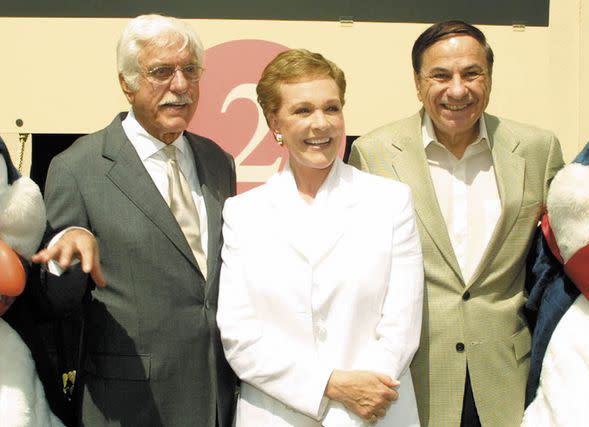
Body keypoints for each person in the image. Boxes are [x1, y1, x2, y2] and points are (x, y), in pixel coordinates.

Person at [348, 21, 564, 427]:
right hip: (413, 376)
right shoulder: (373, 154)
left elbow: (563, 256)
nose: (458, 89)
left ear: (490, 77)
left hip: (507, 374)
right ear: (417, 82)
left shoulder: (538, 149)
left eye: (472, 73)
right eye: (440, 75)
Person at [31, 14, 237, 426]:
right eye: (162, 71)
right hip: (129, 404)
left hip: (218, 397)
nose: (180, 86)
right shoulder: (78, 168)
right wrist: (65, 259)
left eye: (190, 70)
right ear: (127, 83)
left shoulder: (218, 161)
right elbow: (54, 301)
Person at [216, 49, 423, 427]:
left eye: (331, 108)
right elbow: (240, 338)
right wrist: (329, 385)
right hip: (276, 416)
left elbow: (402, 326)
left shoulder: (390, 203)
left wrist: (361, 400)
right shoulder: (243, 214)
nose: (320, 124)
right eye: (303, 110)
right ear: (273, 121)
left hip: (374, 415)